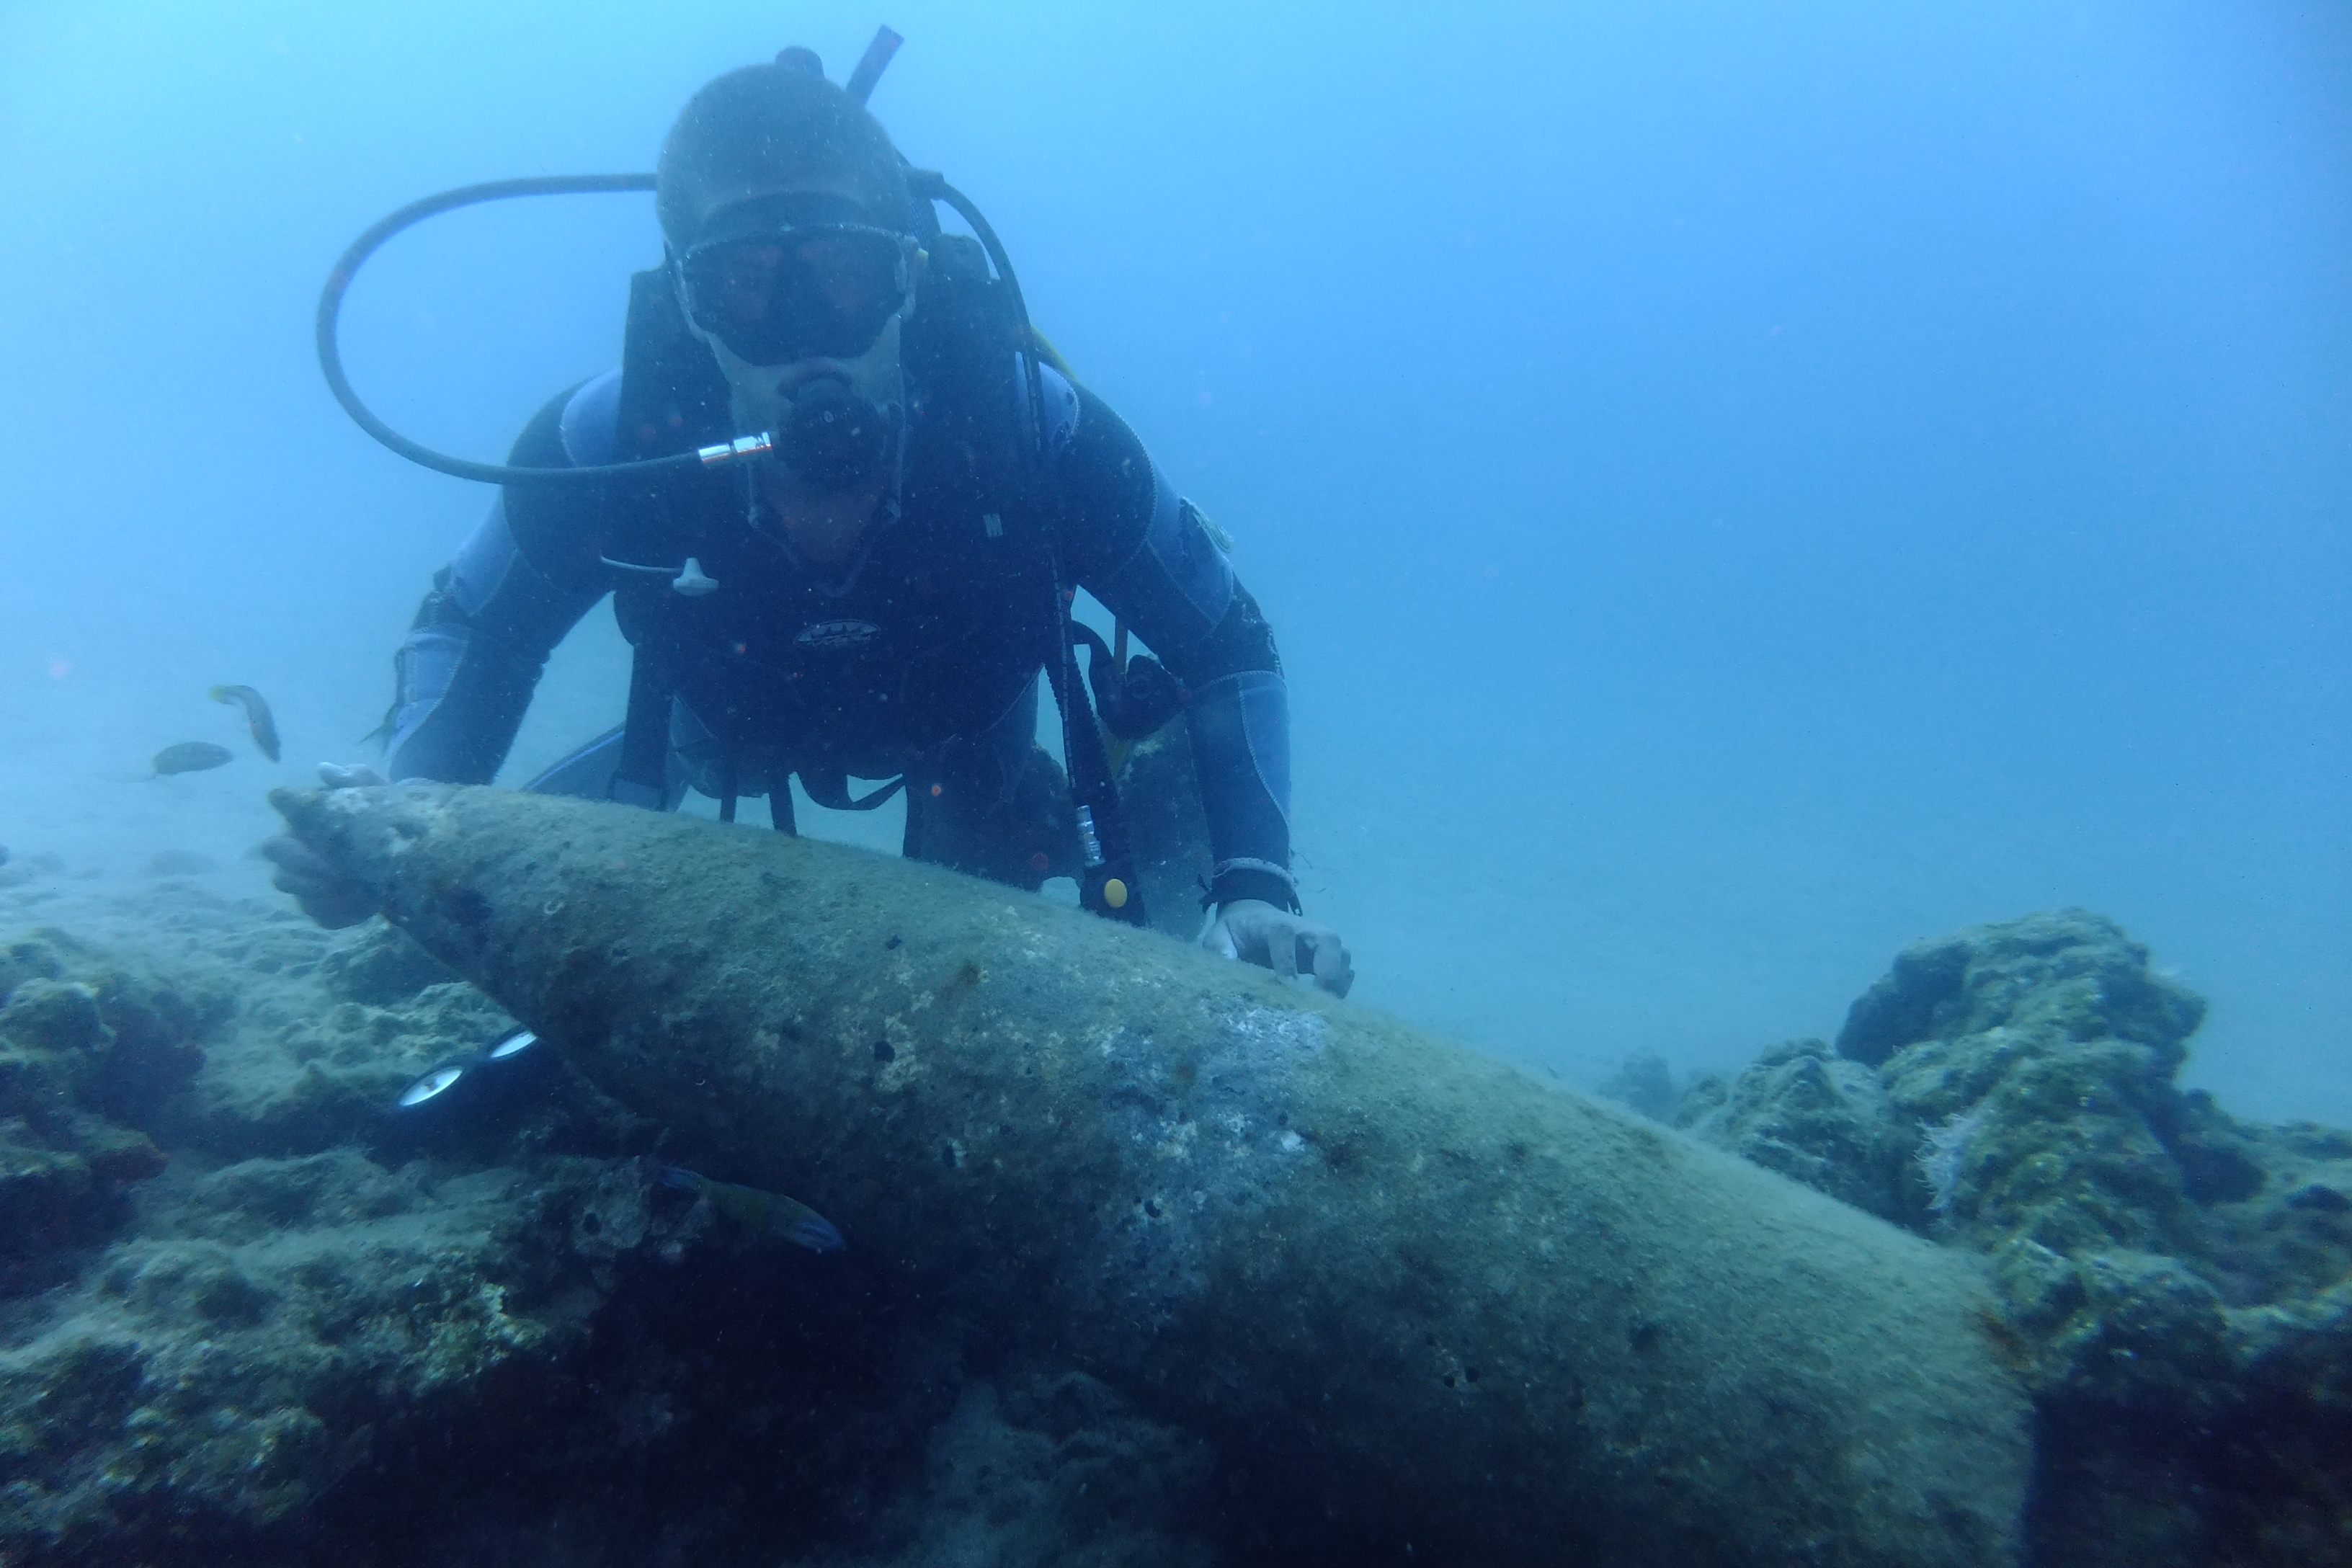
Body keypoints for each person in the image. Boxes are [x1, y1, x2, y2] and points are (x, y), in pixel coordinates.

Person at [265, 49, 1352, 995]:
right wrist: (405, 815)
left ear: (911, 277)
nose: (803, 337)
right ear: (688, 303)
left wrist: (1254, 884)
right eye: (747, 284)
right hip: (724, 736)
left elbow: (1226, 643)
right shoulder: (613, 442)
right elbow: (477, 624)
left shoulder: (1031, 429)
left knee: (988, 881)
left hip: (970, 751)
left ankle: (1045, 816)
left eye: (844, 274)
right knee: (674, 780)